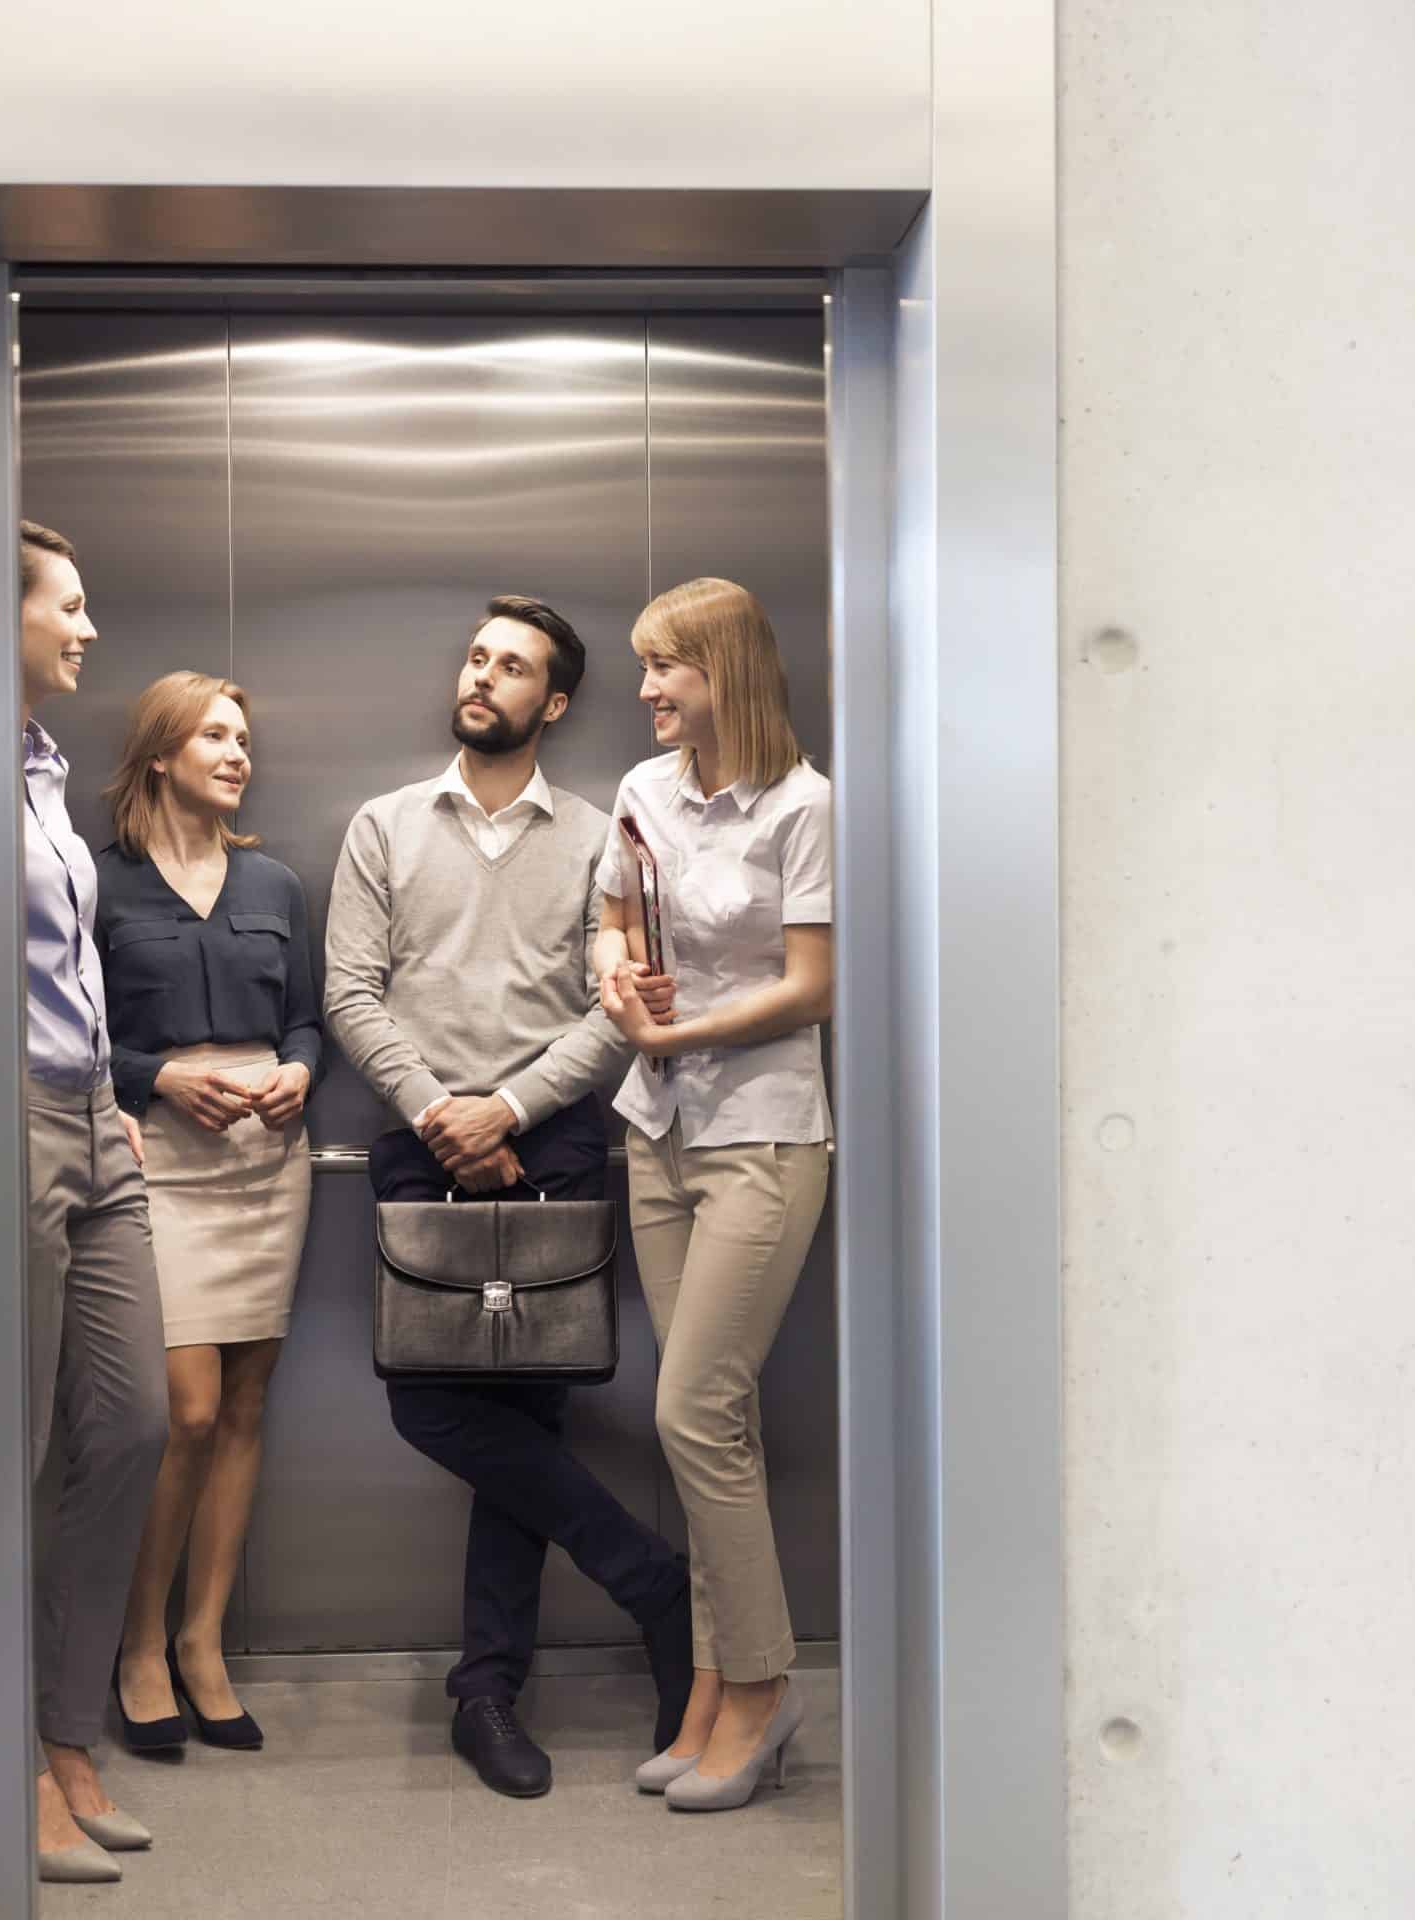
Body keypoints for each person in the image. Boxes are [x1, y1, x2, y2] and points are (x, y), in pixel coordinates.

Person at [323, 595, 697, 1799]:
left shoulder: (602, 834)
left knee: (523, 1429)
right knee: (431, 1409)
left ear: (558, 701)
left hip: (557, 1151)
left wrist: (513, 1112)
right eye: (478, 657)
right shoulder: (384, 827)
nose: (484, 676)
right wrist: (444, 1111)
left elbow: (623, 1004)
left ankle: (488, 1691)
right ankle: (651, 1581)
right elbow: (350, 993)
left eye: (514, 666)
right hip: (416, 1144)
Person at [592, 577, 834, 1813]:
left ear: (720, 670)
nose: (645, 692)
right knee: (706, 1428)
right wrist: (619, 991)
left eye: (663, 670)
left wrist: (680, 1034)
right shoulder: (643, 795)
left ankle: (763, 1687)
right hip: (660, 1136)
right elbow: (609, 924)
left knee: (695, 1409)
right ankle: (708, 1694)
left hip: (764, 1137)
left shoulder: (805, 807)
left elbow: (810, 987)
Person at [96, 671, 322, 1755]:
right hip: (162, 1166)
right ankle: (137, 1644)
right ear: (160, 755)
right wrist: (156, 1079)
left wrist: (298, 1072)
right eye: (215, 736)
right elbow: (77, 1038)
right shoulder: (101, 886)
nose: (238, 753)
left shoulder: (274, 882)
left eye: (245, 736)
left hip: (267, 1164)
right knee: (182, 1411)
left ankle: (202, 1642)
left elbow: (310, 1018)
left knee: (243, 1406)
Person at [12, 520, 168, 1883]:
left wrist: (111, 1086)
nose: (88, 627)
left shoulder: (43, 773)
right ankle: (5, 1763)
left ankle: (68, 1735)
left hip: (88, 1110)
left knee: (129, 1421)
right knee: (4, 1455)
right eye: (68, 603)